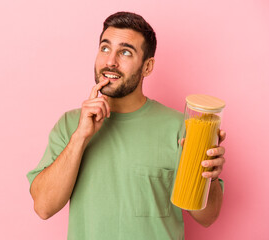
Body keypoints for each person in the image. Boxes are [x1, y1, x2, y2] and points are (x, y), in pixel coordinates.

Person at [27, 11, 226, 240]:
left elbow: (207, 217)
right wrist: (81, 136)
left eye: (125, 52)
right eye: (104, 48)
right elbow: (43, 207)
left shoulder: (181, 128)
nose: (110, 61)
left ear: (147, 67)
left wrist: (209, 176)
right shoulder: (70, 124)